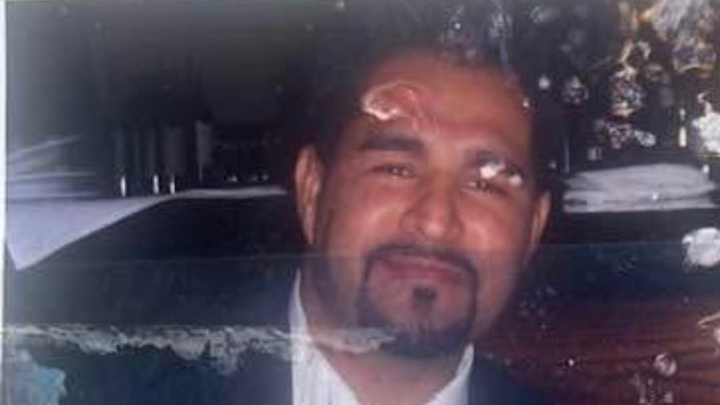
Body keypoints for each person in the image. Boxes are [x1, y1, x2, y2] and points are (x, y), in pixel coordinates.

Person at [7, 10, 551, 405]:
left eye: (487, 183)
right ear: (312, 190)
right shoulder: (94, 386)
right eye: (395, 169)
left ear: (534, 228)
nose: (435, 219)